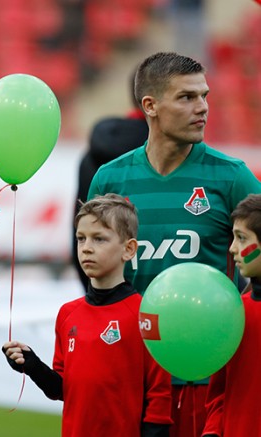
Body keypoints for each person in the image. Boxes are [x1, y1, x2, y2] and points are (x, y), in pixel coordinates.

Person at [88, 51, 261, 437]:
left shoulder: (232, 178)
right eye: (186, 97)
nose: (203, 108)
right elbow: (98, 281)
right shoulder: (109, 180)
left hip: (205, 380)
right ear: (150, 106)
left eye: (205, 95)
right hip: (129, 377)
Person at [3, 194, 172, 436]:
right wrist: (33, 366)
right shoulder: (67, 314)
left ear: (129, 249)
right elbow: (60, 389)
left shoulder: (147, 314)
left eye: (99, 239)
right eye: (81, 239)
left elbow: (159, 397)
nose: (87, 248)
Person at [72, 69, 149, 291]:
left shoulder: (91, 155)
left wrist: (93, 294)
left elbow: (77, 231)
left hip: (105, 296)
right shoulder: (172, 158)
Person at [203, 193, 261, 437]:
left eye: (241, 238)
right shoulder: (232, 312)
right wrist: (212, 431)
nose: (232, 248)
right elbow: (219, 393)